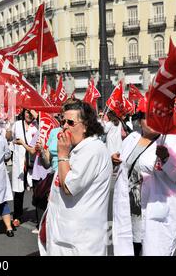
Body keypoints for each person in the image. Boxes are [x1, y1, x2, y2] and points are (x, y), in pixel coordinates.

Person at [112, 98, 176, 256]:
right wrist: (114, 161)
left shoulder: (171, 140)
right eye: (147, 116)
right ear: (139, 119)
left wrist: (167, 159)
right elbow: (125, 168)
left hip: (154, 213)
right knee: (128, 250)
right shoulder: (131, 139)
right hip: (129, 214)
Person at [41, 99, 112, 256]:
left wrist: (62, 155)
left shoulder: (93, 149)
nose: (64, 126)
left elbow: (69, 187)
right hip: (64, 236)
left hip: (81, 242)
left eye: (70, 122)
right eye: (63, 121)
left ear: (85, 126)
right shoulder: (78, 148)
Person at [6, 109, 38, 227]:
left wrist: (37, 117)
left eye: (31, 113)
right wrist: (9, 127)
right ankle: (17, 216)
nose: (29, 115)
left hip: (34, 162)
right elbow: (8, 137)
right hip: (19, 162)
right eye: (27, 112)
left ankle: (39, 217)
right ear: (23, 112)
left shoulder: (38, 125)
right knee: (19, 191)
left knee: (37, 190)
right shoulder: (17, 124)